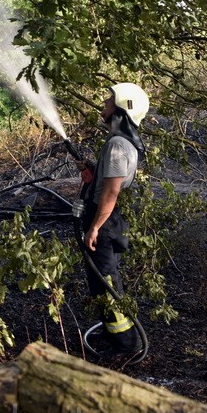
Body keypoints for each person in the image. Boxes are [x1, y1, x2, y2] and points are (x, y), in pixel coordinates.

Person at [77, 82, 149, 355]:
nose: (104, 104)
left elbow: (112, 190)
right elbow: (107, 181)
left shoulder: (118, 145)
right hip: (108, 221)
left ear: (121, 110)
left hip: (104, 223)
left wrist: (95, 226)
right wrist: (94, 171)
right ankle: (114, 336)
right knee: (101, 282)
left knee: (106, 283)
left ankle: (126, 345)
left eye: (109, 101)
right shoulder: (121, 143)